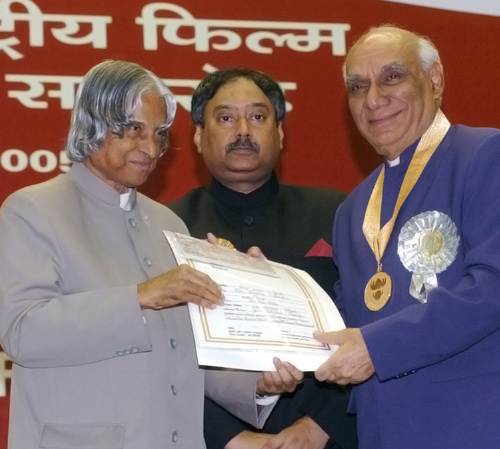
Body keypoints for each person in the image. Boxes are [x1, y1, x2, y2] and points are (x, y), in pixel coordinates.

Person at [0, 60, 302, 449]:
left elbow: (181, 347)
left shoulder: (168, 224)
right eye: (133, 130)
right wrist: (140, 296)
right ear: (93, 124)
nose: (150, 148)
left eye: (158, 134)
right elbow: (22, 332)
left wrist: (256, 385)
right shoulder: (33, 209)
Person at [313, 25, 500, 448]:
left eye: (392, 77)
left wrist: (375, 348)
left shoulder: (486, 155)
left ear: (434, 81)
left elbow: (493, 287)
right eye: (357, 87)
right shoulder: (352, 210)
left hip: (476, 423)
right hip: (384, 431)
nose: (373, 99)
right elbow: (345, 324)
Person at [167, 68, 357, 449]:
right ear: (199, 136)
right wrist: (232, 439)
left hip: (331, 435)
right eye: (225, 118)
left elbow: (372, 330)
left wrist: (317, 427)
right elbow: (161, 355)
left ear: (280, 132)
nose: (242, 130)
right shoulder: (169, 228)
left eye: (257, 117)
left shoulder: (340, 213)